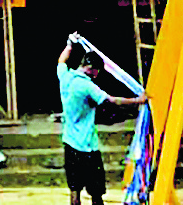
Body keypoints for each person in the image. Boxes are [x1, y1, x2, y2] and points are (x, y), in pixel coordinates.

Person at [58, 36, 146, 205]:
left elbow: (61, 61)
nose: (98, 75)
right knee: (96, 191)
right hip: (87, 146)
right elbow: (111, 100)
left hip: (69, 142)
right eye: (98, 71)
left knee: (74, 190)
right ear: (91, 69)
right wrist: (137, 101)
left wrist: (69, 44)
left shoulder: (65, 77)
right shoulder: (87, 86)